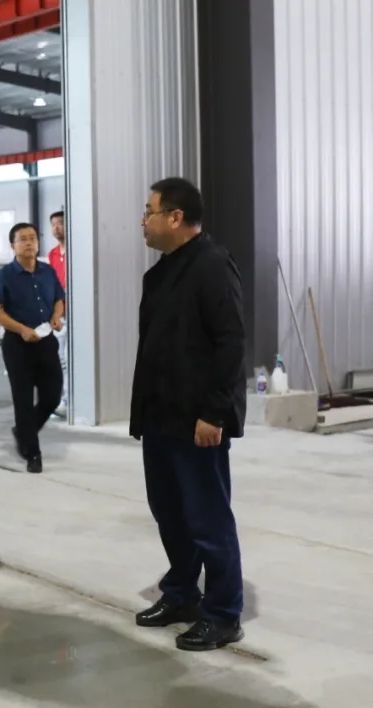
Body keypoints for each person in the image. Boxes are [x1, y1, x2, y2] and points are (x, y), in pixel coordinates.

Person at [130, 177, 246, 652]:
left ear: (175, 217)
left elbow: (231, 342)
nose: (143, 220)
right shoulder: (160, 274)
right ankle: (181, 595)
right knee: (170, 516)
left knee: (208, 520)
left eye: (149, 211)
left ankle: (223, 614)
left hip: (198, 421)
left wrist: (214, 413)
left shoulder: (212, 265)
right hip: (160, 417)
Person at [0, 222, 65, 474]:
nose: (29, 242)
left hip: (46, 341)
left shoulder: (47, 272)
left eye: (33, 238)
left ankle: (23, 431)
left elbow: (59, 299)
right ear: (13, 246)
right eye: (23, 239)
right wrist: (21, 329)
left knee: (52, 397)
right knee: (22, 400)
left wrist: (56, 316)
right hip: (17, 345)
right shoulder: (4, 276)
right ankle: (33, 453)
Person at [47, 210, 68, 418]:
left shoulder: (75, 250)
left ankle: (69, 400)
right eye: (53, 224)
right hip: (59, 314)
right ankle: (63, 399)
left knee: (70, 359)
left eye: (60, 223)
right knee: (60, 359)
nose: (56, 227)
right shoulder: (53, 254)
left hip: (75, 312)